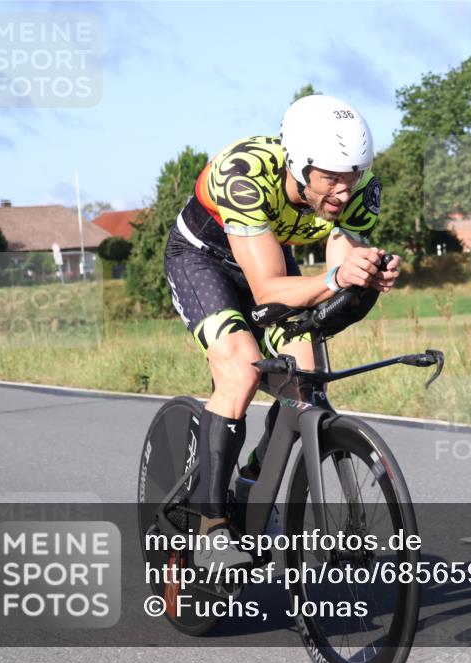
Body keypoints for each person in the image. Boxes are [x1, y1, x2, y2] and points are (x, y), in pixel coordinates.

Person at [163, 94, 400, 569]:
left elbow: (337, 270)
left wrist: (364, 276)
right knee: (240, 370)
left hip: (268, 255)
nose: (343, 192)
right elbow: (266, 285)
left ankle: (255, 478)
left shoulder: (358, 189)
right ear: (298, 164)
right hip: (204, 261)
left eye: (351, 177)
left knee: (304, 383)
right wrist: (335, 278)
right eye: (330, 178)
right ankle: (211, 526)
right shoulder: (244, 173)